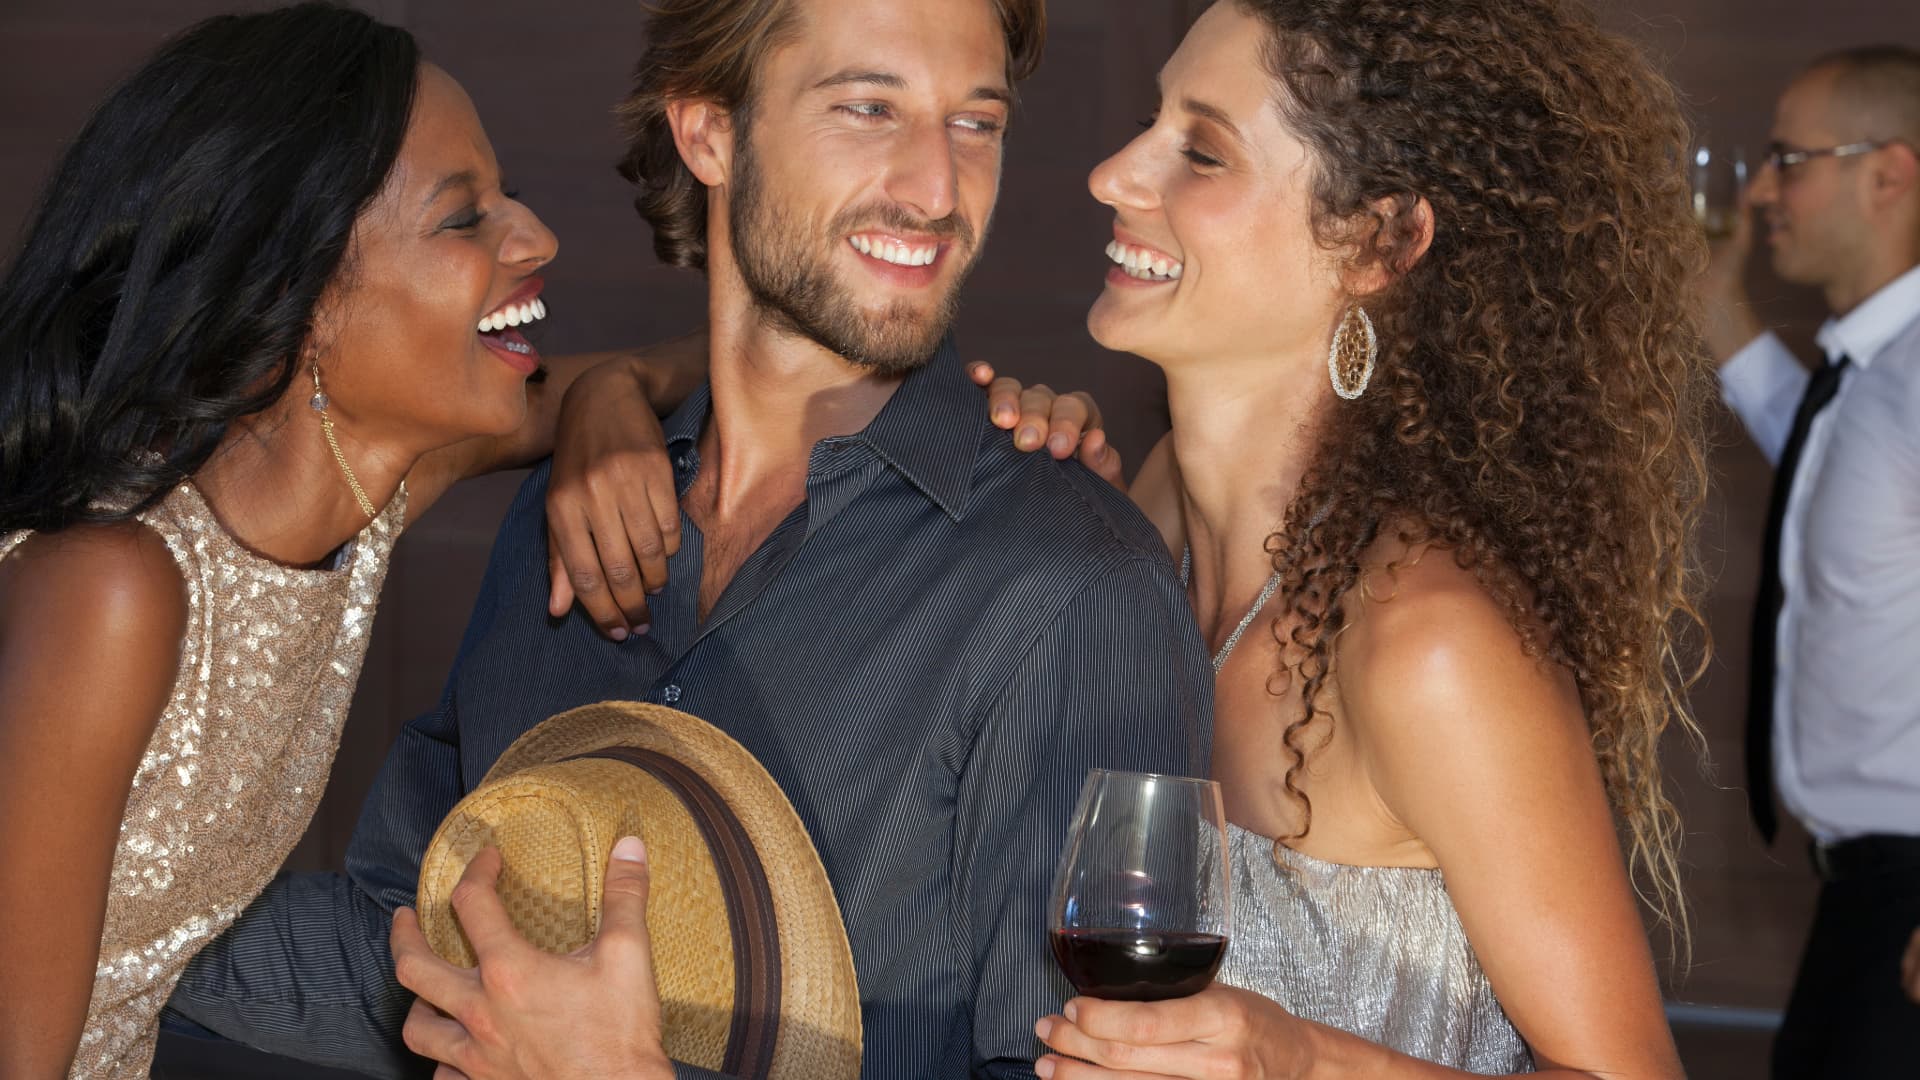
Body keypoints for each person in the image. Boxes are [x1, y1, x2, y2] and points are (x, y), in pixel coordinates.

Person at [163, 0, 1212, 1077]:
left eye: (975, 124)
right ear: (708, 132)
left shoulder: (1072, 589)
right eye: (867, 108)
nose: (938, 190)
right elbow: (409, 950)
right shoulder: (568, 516)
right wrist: (102, 930)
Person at [960, 0, 1706, 1075]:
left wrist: (1300, 1062)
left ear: (1378, 242)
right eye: (1151, 122)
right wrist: (631, 388)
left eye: (1201, 152)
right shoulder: (1139, 516)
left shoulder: (1424, 644)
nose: (1114, 173)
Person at [0, 6, 707, 1076]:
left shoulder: (365, 494)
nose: (536, 237)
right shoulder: (112, 591)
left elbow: (728, 363)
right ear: (299, 301)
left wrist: (618, 384)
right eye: (465, 219)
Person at [1698, 45, 1920, 1077]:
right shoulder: (1867, 378)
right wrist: (1722, 314)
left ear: (1890, 173)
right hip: (1861, 896)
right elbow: (1834, 482)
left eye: (1790, 159)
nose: (1761, 189)